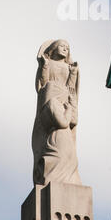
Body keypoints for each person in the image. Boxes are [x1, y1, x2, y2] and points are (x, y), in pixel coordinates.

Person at [32, 39, 81, 186]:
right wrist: (44, 65)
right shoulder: (49, 63)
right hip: (51, 94)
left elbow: (71, 87)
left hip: (64, 96)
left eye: (67, 47)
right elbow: (43, 83)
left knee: (64, 129)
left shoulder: (68, 67)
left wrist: (73, 73)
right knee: (55, 122)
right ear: (54, 49)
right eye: (62, 46)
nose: (65, 49)